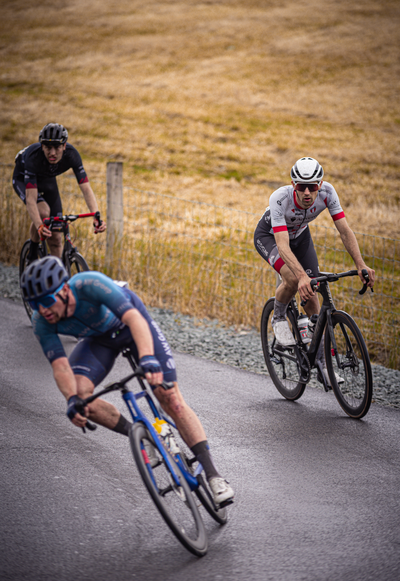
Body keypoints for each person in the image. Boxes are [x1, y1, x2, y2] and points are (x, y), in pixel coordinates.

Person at [20, 256, 234, 505]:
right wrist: (71, 400)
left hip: (132, 326)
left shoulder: (90, 285)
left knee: (170, 398)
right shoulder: (41, 321)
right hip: (99, 340)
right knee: (82, 399)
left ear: (65, 290)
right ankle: (143, 435)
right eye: (35, 304)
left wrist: (148, 359)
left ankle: (214, 476)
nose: (42, 310)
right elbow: (60, 366)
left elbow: (134, 319)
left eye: (46, 300)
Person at [254, 156, 375, 382]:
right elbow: (281, 245)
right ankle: (278, 317)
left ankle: (321, 364)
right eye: (301, 186)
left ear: (320, 184)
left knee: (313, 296)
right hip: (270, 237)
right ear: (293, 185)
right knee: (292, 279)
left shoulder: (328, 193)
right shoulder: (279, 199)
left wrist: (361, 264)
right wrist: (301, 277)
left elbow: (345, 231)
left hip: (300, 237)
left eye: (313, 186)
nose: (308, 192)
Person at [12, 123, 106, 262]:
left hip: (48, 180)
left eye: (57, 147)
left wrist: (96, 215)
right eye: (48, 148)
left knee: (56, 239)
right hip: (23, 180)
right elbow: (31, 200)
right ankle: (32, 253)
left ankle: (58, 279)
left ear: (64, 146)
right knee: (43, 212)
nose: (53, 153)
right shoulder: (34, 157)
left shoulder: (72, 155)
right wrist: (39, 226)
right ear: (42, 146)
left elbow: (86, 188)